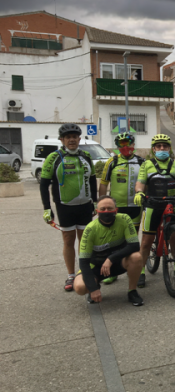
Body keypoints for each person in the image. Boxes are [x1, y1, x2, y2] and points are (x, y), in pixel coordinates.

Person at [134, 134, 175, 288]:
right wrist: (139, 192)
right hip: (153, 206)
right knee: (146, 241)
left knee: (174, 237)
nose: (162, 148)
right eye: (159, 146)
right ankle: (140, 271)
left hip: (172, 205)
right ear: (154, 149)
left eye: (165, 146)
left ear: (169, 148)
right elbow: (140, 183)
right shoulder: (147, 165)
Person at [40, 123, 97, 291]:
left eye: (74, 137)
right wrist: (47, 208)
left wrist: (95, 201)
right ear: (62, 140)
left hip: (85, 206)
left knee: (85, 241)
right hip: (65, 206)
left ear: (79, 139)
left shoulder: (86, 156)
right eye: (68, 137)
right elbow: (44, 184)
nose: (71, 140)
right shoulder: (54, 157)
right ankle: (71, 275)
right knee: (68, 240)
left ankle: (83, 271)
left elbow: (92, 180)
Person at [73, 195, 144, 306]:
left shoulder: (125, 219)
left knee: (137, 257)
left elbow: (134, 246)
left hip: (118, 263)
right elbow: (84, 262)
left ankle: (132, 291)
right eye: (103, 209)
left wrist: (110, 259)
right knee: (79, 287)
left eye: (110, 208)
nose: (106, 211)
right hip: (96, 267)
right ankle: (95, 284)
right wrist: (93, 288)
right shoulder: (90, 229)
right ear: (97, 212)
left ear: (116, 210)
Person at [98, 132, 145, 284]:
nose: (125, 146)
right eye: (121, 144)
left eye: (128, 143)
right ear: (117, 146)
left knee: (133, 238)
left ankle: (139, 269)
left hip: (135, 206)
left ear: (133, 144)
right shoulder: (112, 162)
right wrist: (101, 204)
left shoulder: (141, 162)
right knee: (114, 239)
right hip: (116, 208)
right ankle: (113, 271)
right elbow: (104, 184)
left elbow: (146, 183)